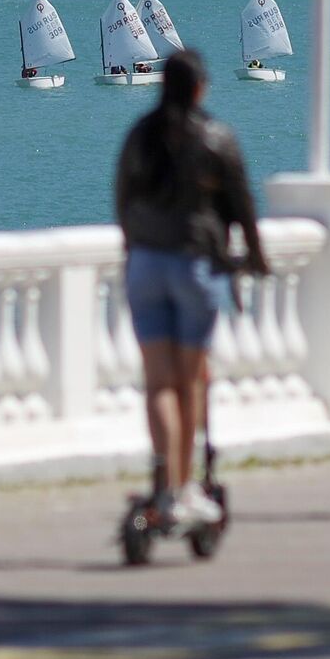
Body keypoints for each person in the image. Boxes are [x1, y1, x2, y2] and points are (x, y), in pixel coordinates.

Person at [114, 49, 268, 527]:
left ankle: (164, 480)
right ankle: (184, 489)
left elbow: (122, 199)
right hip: (194, 266)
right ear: (201, 88)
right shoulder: (217, 138)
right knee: (191, 379)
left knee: (159, 382)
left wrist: (137, 246)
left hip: (145, 264)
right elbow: (241, 204)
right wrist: (257, 258)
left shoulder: (141, 135)